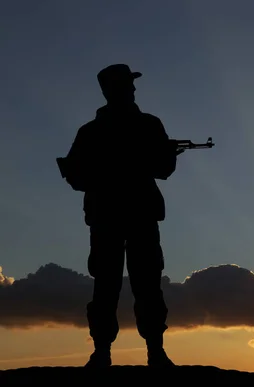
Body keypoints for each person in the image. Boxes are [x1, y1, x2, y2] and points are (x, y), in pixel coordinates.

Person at [59, 64, 181, 368]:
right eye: (128, 85)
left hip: (121, 216)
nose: (133, 89)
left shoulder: (95, 131)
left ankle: (144, 351)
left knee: (139, 283)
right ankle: (117, 352)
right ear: (114, 90)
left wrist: (162, 155)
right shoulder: (137, 126)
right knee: (115, 284)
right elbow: (75, 175)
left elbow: (162, 168)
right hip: (117, 216)